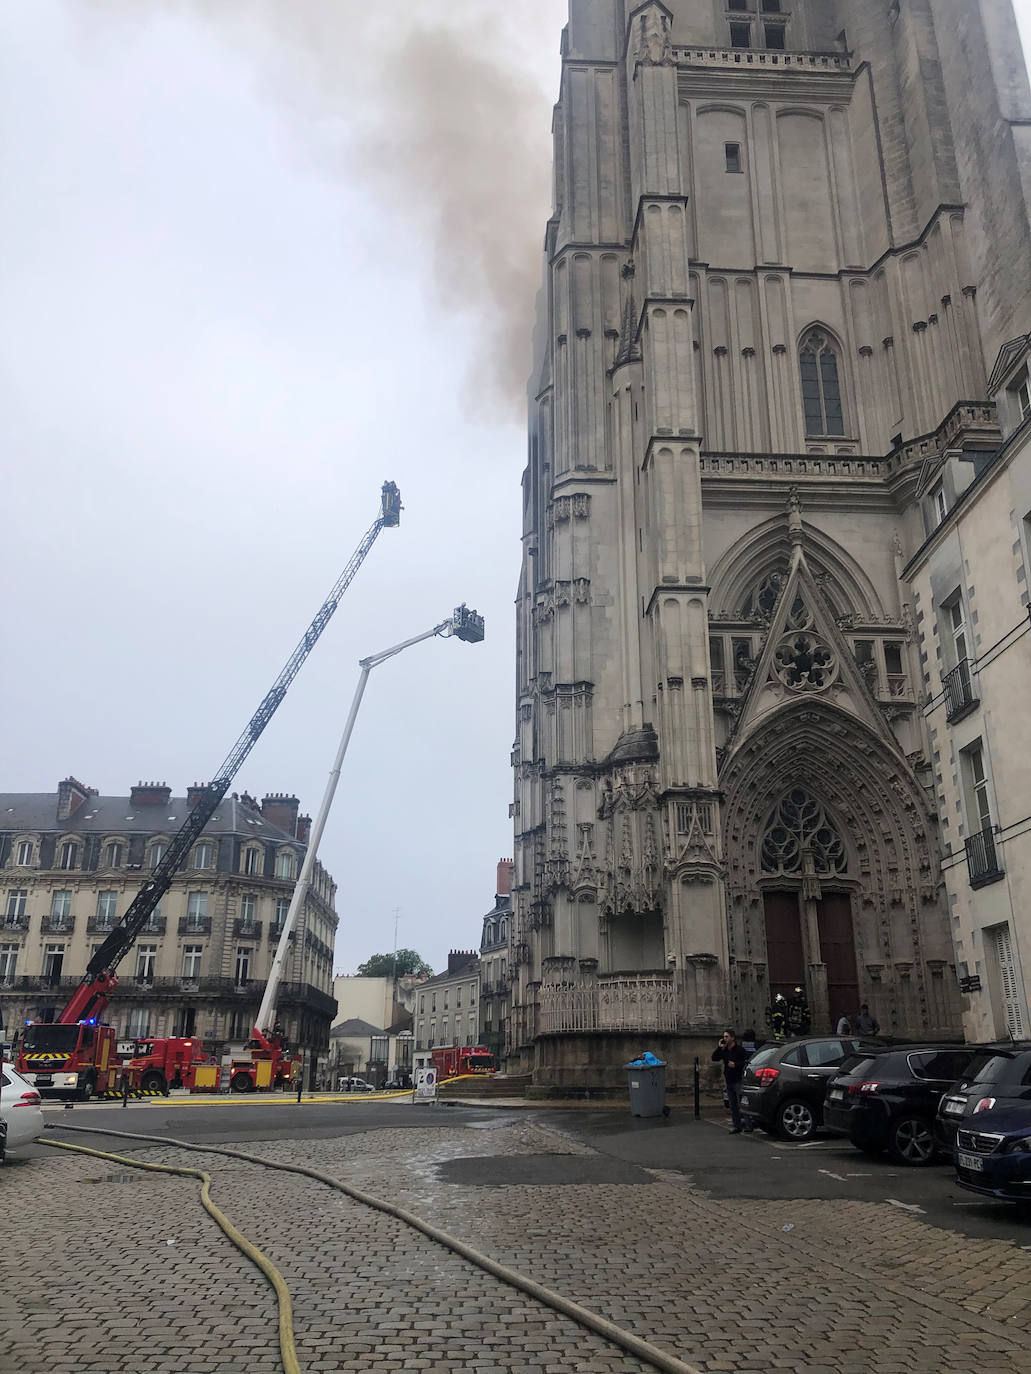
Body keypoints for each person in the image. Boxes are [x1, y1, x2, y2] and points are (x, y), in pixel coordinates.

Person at [712, 1029, 749, 1134]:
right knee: (732, 1105)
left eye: (727, 1036)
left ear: (732, 1038)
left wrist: (736, 1065)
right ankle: (737, 1125)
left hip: (738, 1080)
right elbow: (714, 1058)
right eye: (724, 1037)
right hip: (729, 1080)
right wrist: (719, 1048)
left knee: (742, 1104)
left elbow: (745, 1062)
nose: (725, 1039)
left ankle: (748, 1125)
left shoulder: (739, 1050)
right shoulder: (724, 1051)